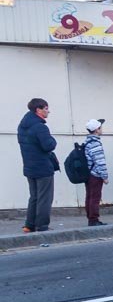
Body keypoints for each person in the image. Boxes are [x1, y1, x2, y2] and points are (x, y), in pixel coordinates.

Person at [17, 97, 57, 233]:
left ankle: (29, 225)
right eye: (46, 108)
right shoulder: (40, 127)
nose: (48, 111)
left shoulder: (22, 126)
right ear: (38, 110)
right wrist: (53, 140)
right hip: (43, 167)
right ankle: (42, 226)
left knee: (34, 196)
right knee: (45, 197)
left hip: (29, 167)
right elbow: (49, 146)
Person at [83, 119, 109, 226]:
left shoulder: (87, 142)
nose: (102, 129)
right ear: (97, 130)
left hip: (88, 173)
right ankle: (93, 219)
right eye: (100, 127)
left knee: (89, 196)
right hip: (96, 174)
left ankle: (90, 217)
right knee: (95, 197)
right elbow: (100, 161)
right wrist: (105, 176)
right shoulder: (95, 143)